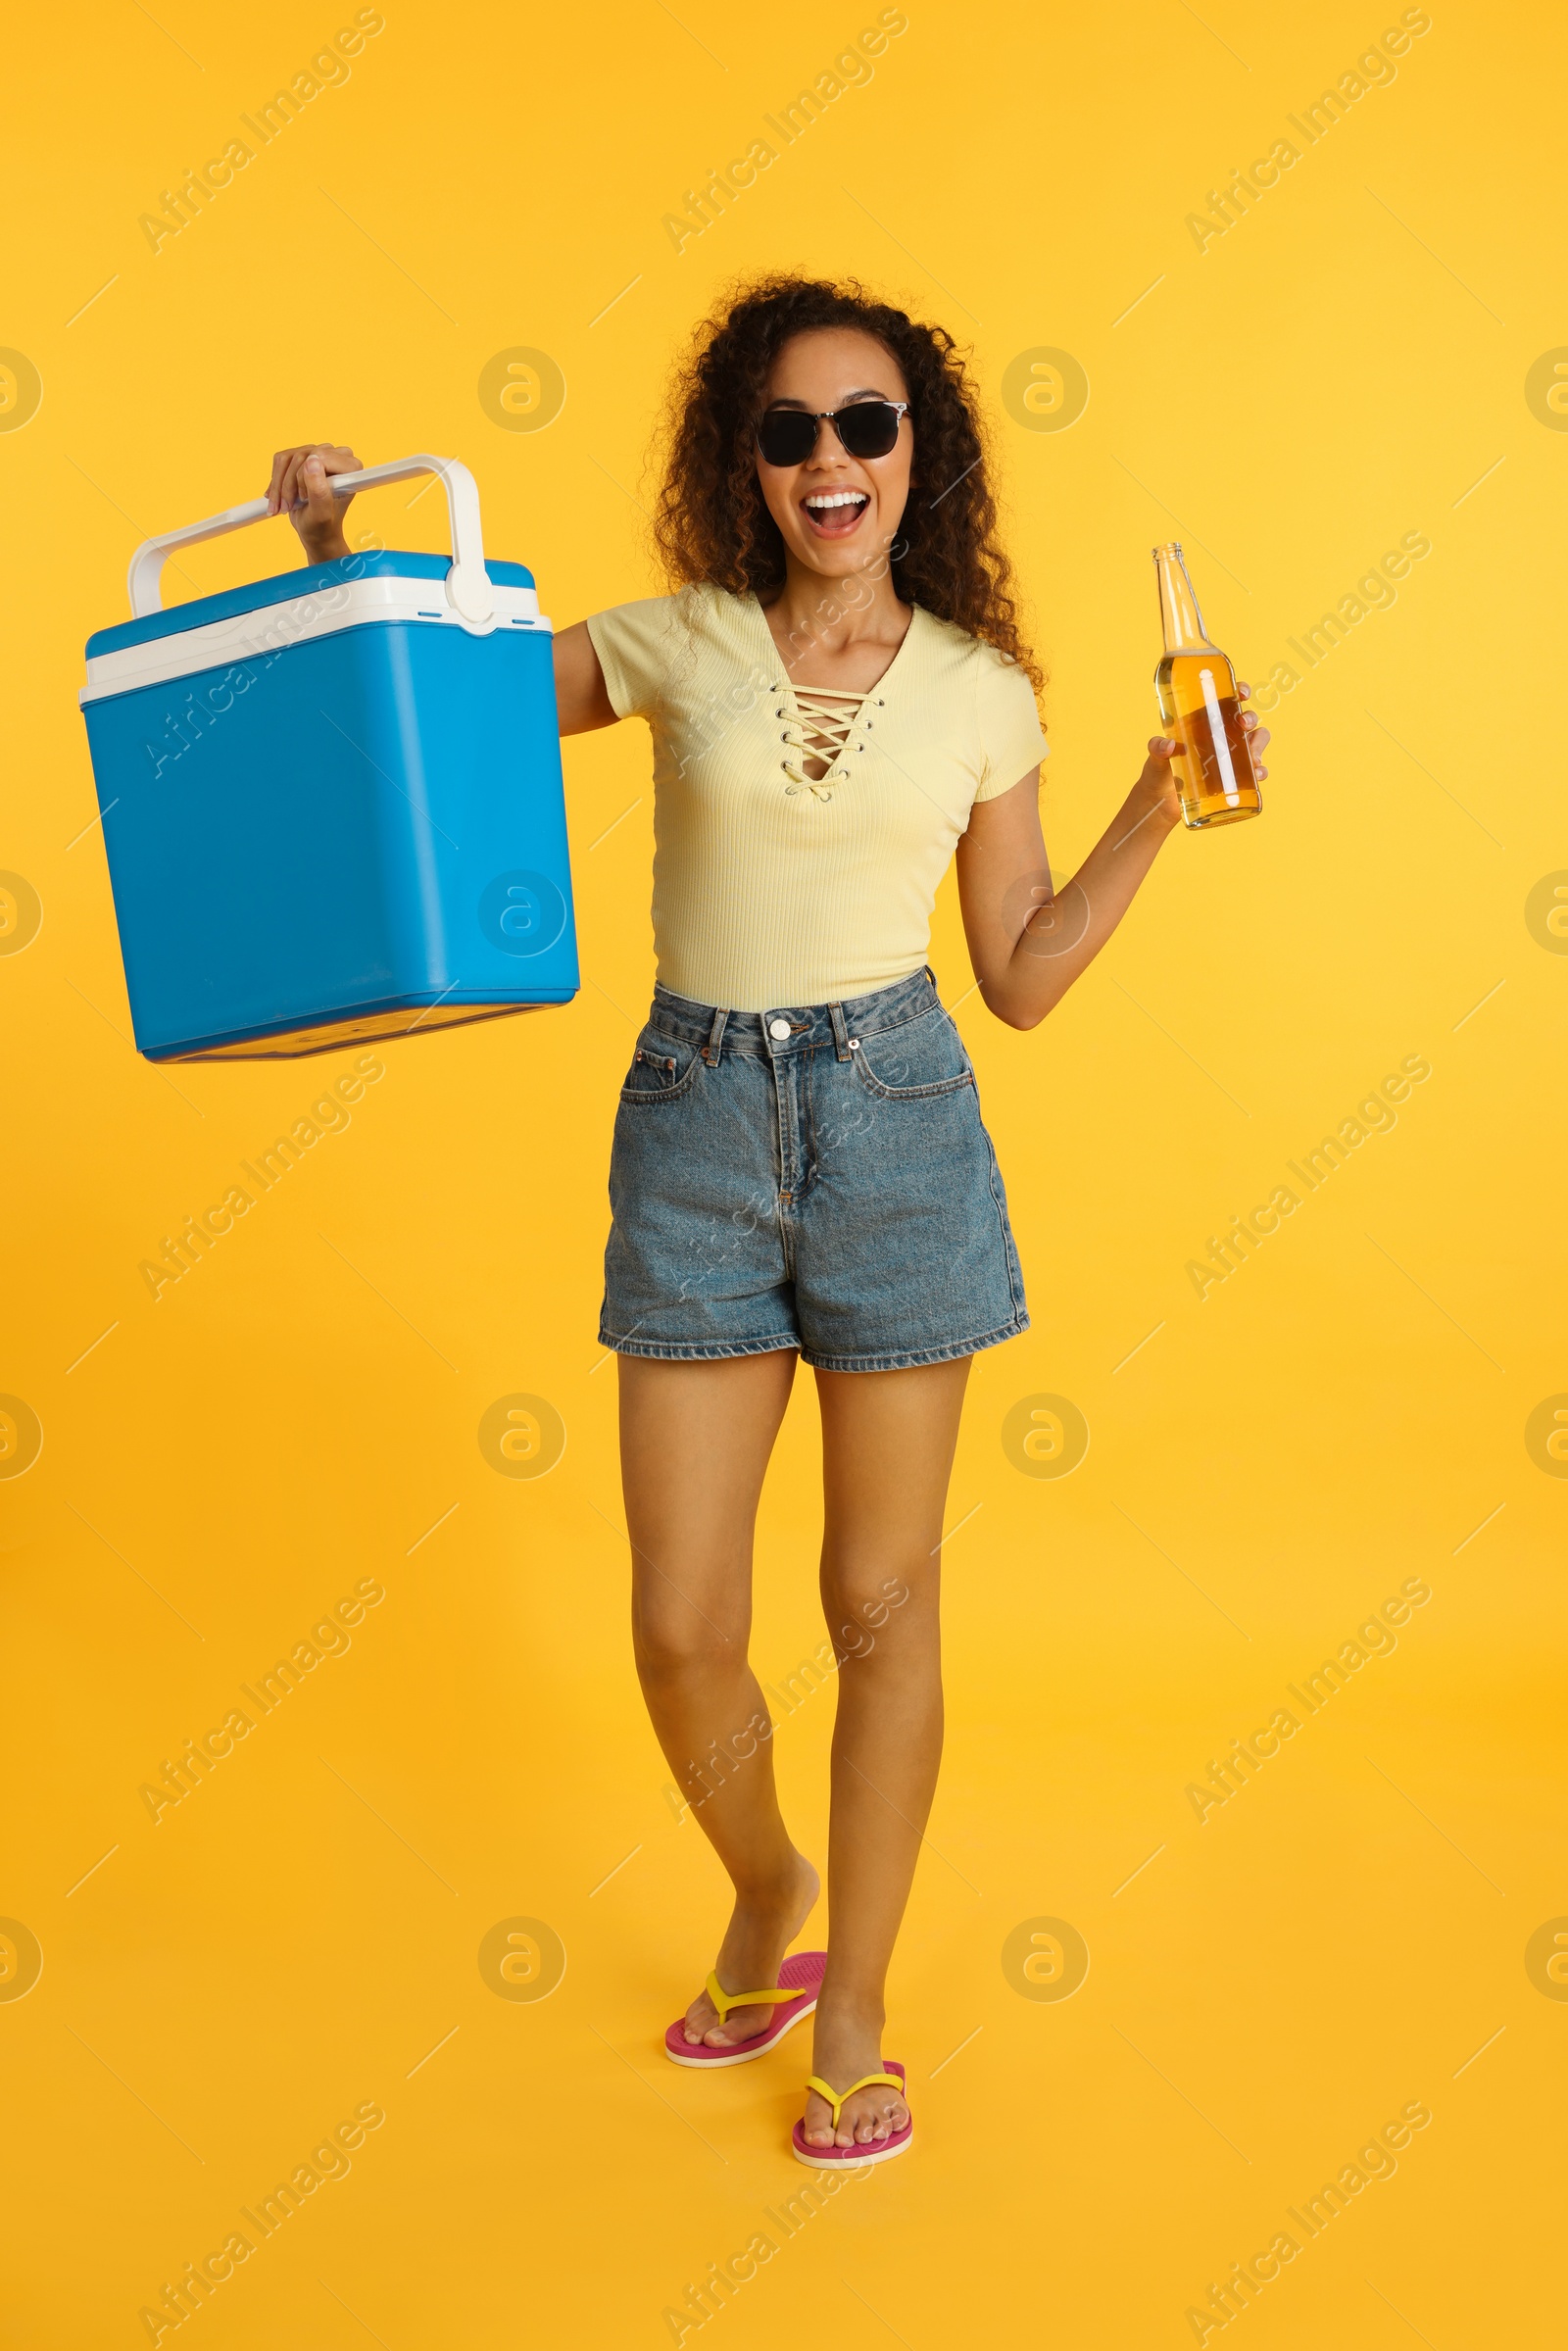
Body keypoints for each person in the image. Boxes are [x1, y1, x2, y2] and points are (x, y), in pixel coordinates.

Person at [267, 274, 1268, 2167]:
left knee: (879, 1606)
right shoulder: (681, 642)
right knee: (680, 1624)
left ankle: (860, 2000)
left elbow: (1025, 973)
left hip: (897, 1129)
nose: (831, 462)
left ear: (918, 456)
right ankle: (766, 1881)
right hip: (698, 1127)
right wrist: (332, 541)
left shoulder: (982, 692)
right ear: (749, 461)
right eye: (792, 430)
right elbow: (433, 719)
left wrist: (1153, 802)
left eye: (866, 426)